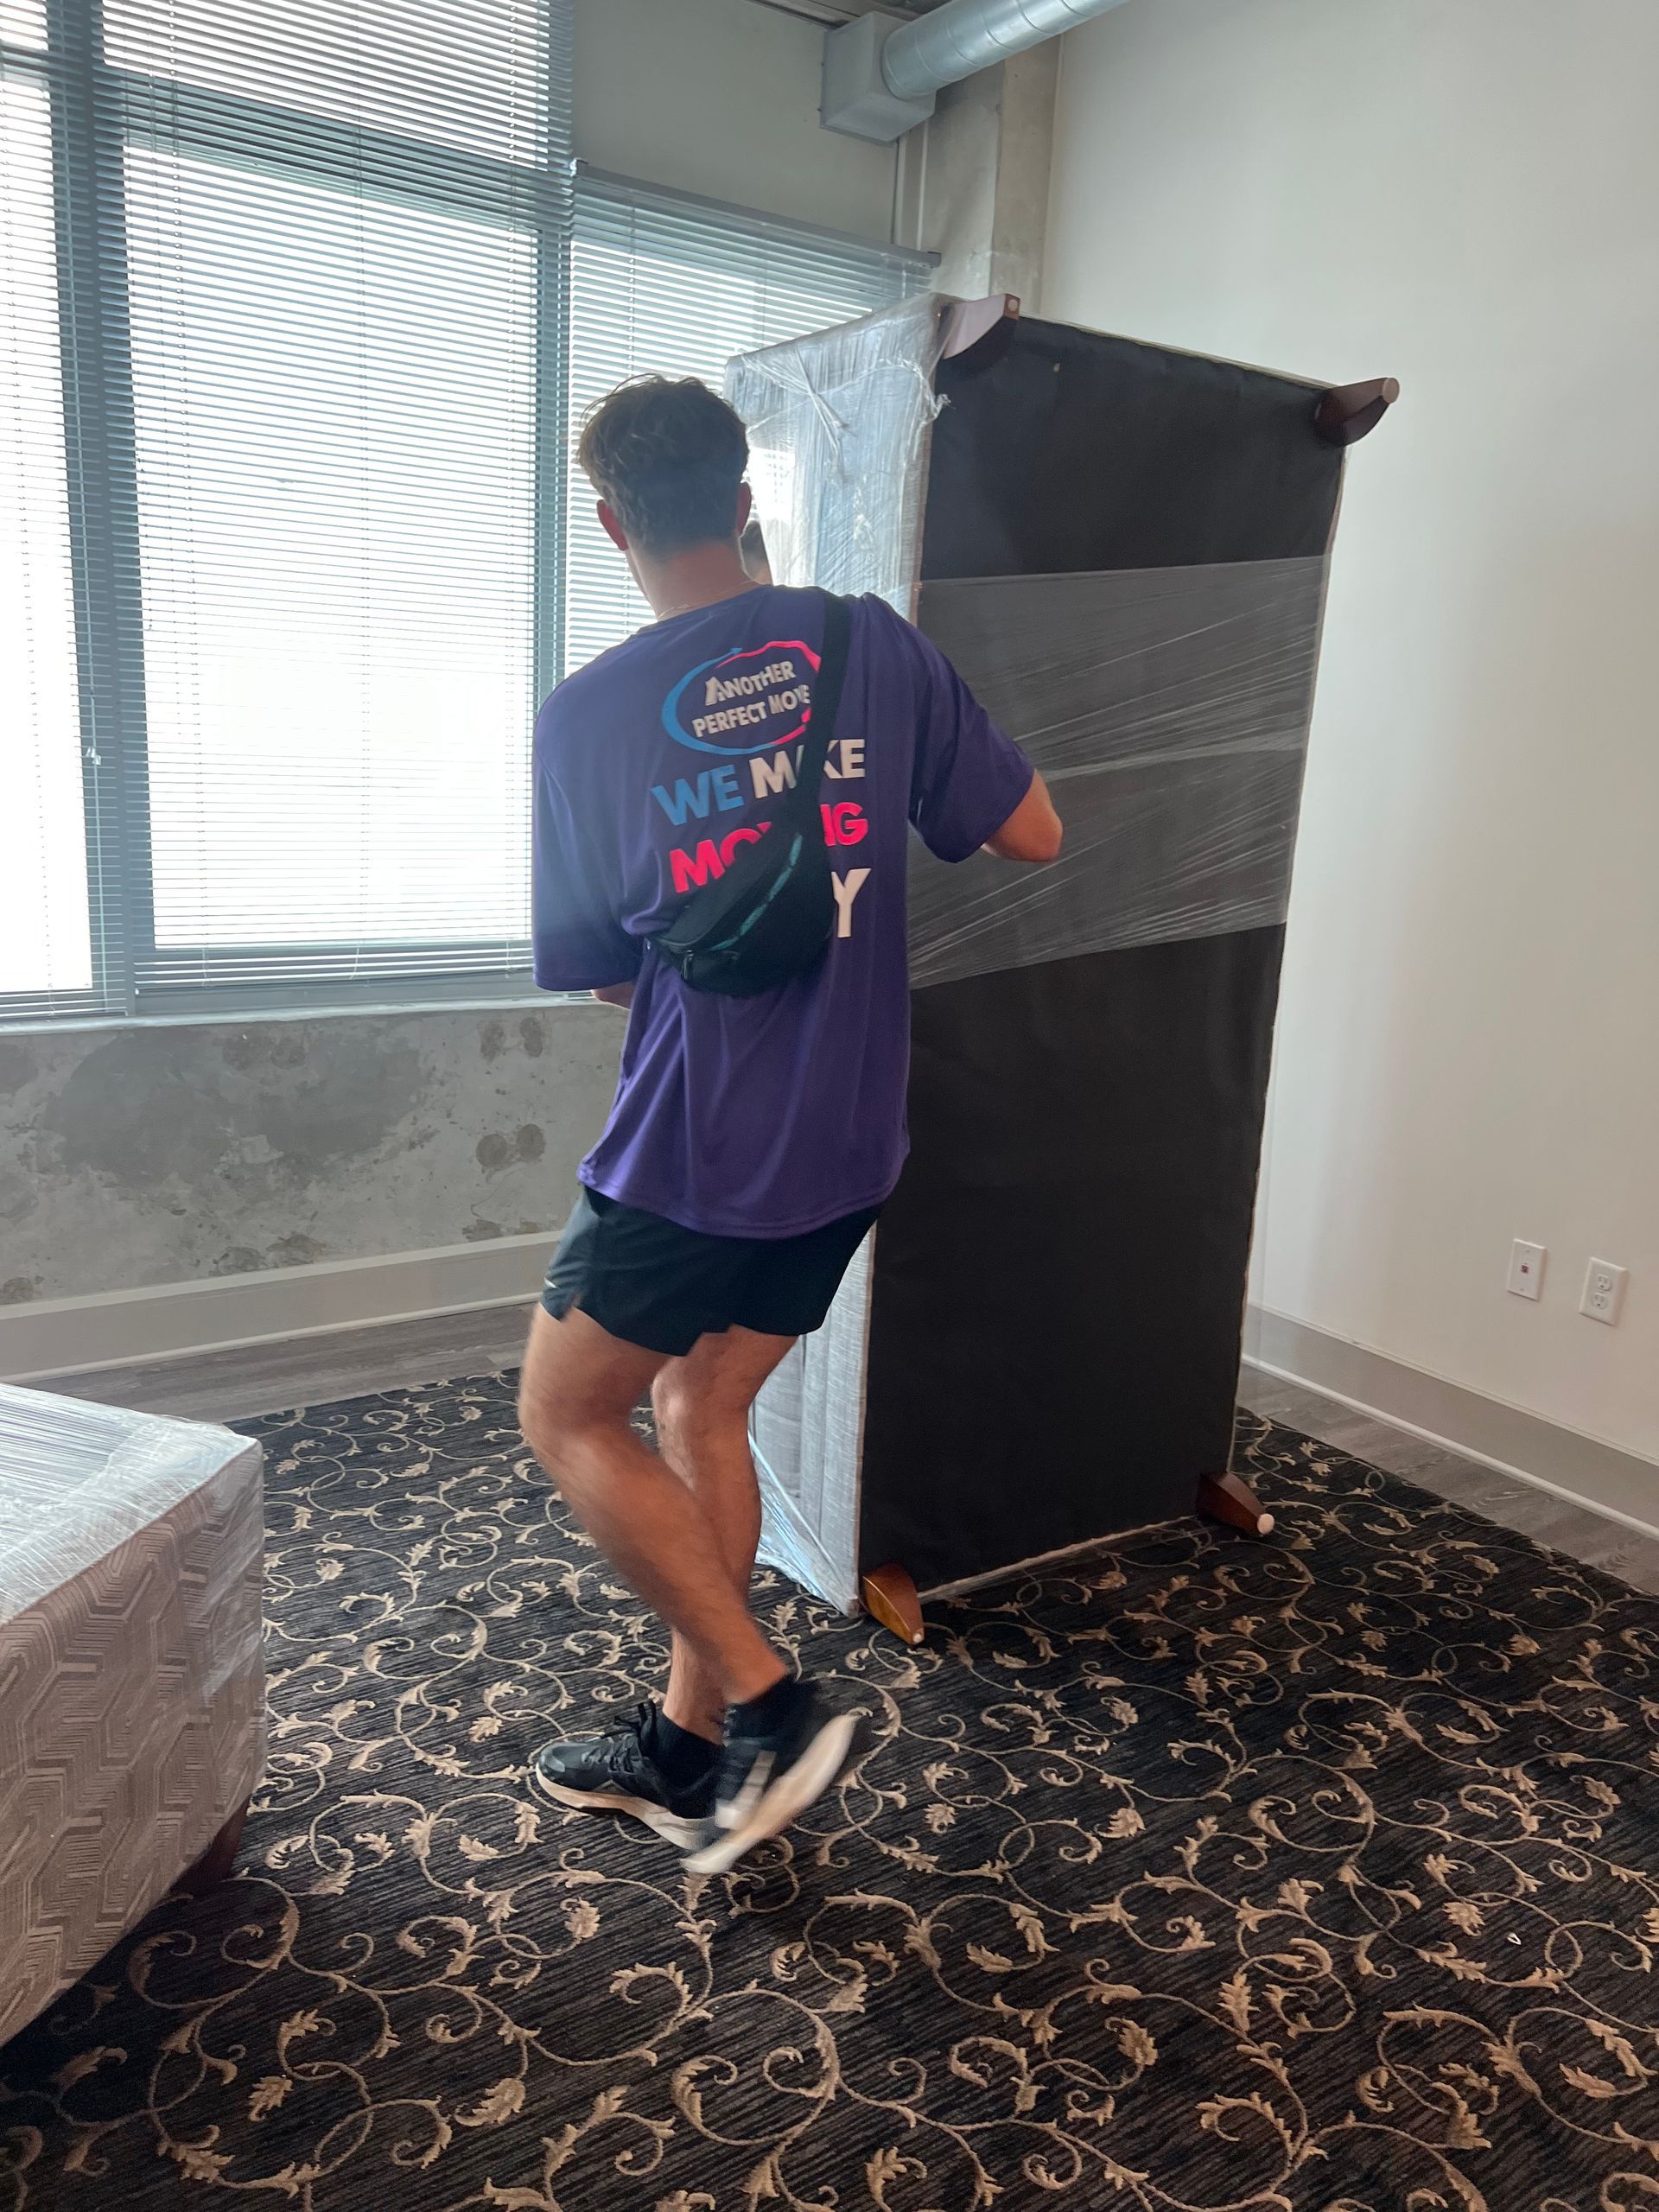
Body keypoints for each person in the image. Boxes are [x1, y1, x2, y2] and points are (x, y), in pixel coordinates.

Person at [518, 375, 1062, 1876]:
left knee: (567, 1411)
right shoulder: (867, 645)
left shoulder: (586, 721)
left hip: (697, 1150)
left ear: (616, 520)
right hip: (847, 1147)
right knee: (700, 1411)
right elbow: (1033, 831)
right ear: (743, 501)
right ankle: (683, 1755)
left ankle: (765, 1705)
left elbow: (603, 980)